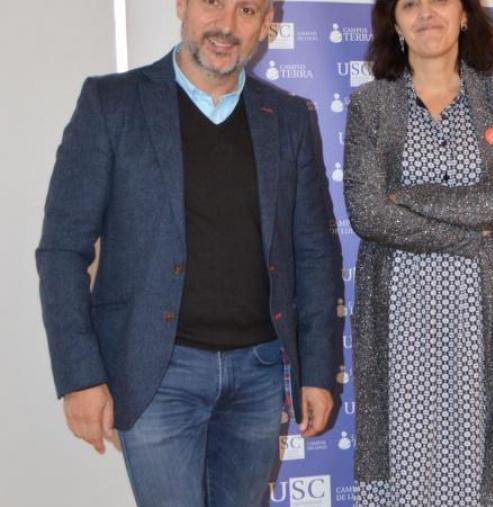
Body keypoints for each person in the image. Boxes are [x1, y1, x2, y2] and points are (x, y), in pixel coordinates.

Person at [35, 0, 340, 505]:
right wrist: (81, 376)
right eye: (212, 2)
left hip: (259, 375)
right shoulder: (112, 103)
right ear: (181, 5)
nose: (225, 25)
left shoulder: (287, 118)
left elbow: (312, 253)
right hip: (159, 376)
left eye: (247, 10)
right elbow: (61, 250)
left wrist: (318, 371)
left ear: (267, 24)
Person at [343, 0, 493, 504]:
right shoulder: (370, 105)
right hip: (403, 314)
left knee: (489, 447)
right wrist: (476, 229)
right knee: (410, 451)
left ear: (465, 16)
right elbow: (369, 214)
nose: (426, 12)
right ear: (394, 22)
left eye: (440, 0)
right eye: (409, 3)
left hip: (488, 302)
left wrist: (411, 196)